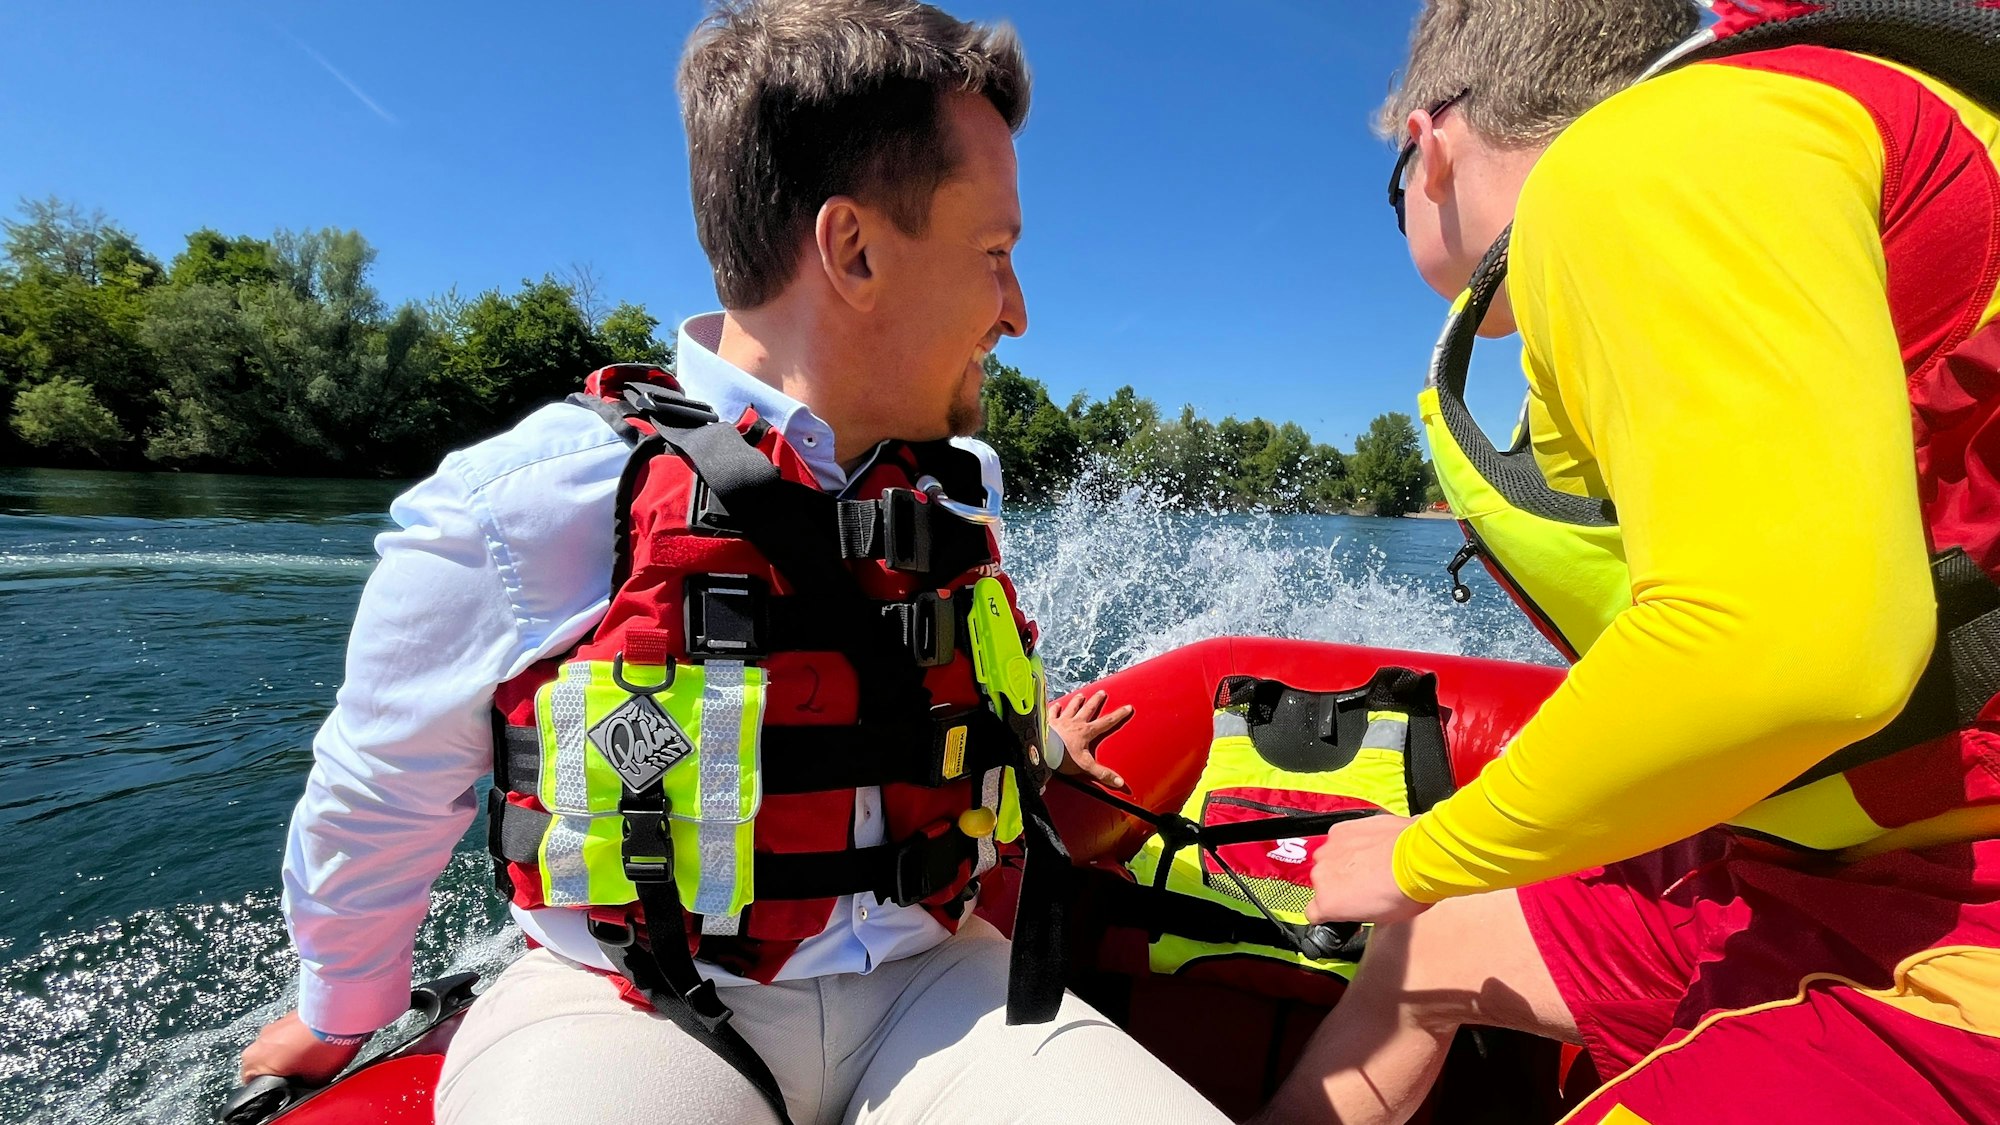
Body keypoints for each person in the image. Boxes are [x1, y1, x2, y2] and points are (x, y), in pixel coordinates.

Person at [236, 3, 1230, 1122]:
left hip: (932, 983)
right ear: (850, 249)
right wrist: (339, 1013)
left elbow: (929, 696)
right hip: (630, 1004)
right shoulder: (529, 501)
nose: (1016, 310)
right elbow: (379, 792)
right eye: (994, 255)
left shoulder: (958, 487)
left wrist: (1035, 739)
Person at [1263, 1, 2000, 1122]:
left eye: (1391, 187)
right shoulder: (1751, 148)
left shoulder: (1645, 161)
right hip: (1845, 847)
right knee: (1417, 954)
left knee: (1418, 902)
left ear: (1430, 144)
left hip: (1959, 898)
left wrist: (1425, 850)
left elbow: (1789, 651)